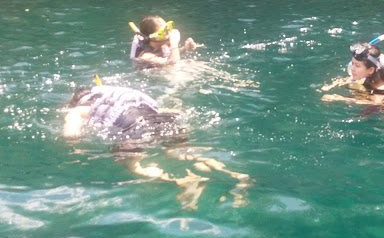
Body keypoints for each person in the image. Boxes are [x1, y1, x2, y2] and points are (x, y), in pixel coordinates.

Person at [63, 84, 250, 209]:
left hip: (133, 126)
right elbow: (169, 111)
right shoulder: (121, 93)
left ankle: (182, 182)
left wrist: (73, 144)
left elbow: (72, 131)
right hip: (163, 120)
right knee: (185, 153)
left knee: (131, 164)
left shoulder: (82, 107)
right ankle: (235, 174)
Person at [320, 42, 384, 105]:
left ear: (370, 70)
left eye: (357, 66)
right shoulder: (371, 75)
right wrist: (332, 85)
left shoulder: (381, 89)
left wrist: (340, 98)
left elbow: (376, 103)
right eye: (352, 63)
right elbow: (349, 79)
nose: (352, 68)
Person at [129, 16, 199, 68]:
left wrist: (185, 48)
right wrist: (174, 44)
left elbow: (169, 54)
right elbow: (173, 63)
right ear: (150, 39)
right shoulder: (145, 56)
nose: (168, 35)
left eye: (168, 29)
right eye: (163, 33)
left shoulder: (158, 46)